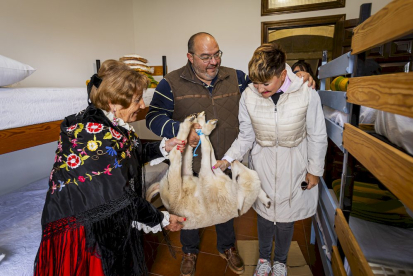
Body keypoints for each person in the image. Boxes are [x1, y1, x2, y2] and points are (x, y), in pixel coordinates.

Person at [146, 32, 316, 276]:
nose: (213, 62)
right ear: (190, 57)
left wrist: (297, 77)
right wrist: (181, 130)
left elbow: (269, 83)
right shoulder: (170, 82)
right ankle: (190, 252)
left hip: (223, 161)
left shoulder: (236, 78)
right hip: (188, 163)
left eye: (216, 55)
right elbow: (153, 117)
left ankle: (227, 248)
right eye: (205, 57)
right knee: (189, 211)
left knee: (225, 208)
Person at [34, 60, 186, 276]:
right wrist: (161, 218)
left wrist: (164, 146)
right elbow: (121, 197)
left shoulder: (108, 125)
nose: (143, 105)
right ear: (113, 102)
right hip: (84, 230)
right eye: (137, 100)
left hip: (103, 219)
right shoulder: (91, 133)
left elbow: (127, 153)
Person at [214, 42, 327, 276]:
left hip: (294, 165)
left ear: (283, 74)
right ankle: (265, 259)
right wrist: (227, 159)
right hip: (262, 164)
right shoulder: (249, 95)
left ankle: (280, 262)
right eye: (255, 82)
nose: (260, 88)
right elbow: (246, 136)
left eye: (266, 83)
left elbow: (317, 134)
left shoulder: (306, 93)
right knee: (265, 216)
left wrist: (314, 170)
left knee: (286, 219)